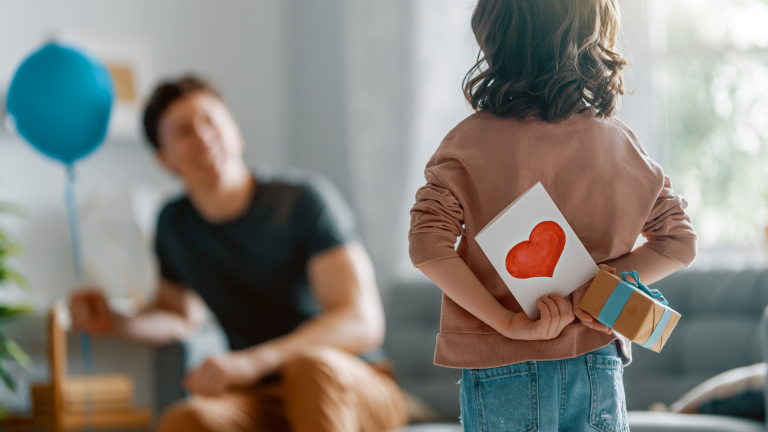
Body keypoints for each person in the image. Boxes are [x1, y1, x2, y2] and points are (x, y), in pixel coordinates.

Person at [408, 0, 698, 431]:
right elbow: (680, 242)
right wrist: (596, 288)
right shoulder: (620, 145)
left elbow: (427, 245)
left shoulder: (467, 143)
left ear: (493, 37)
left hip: (498, 363)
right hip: (594, 361)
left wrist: (508, 321)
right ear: (592, 40)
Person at [69, 76, 407, 432]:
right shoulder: (173, 223)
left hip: (353, 384)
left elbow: (362, 321)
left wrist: (252, 362)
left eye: (211, 121)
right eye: (183, 131)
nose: (202, 136)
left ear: (235, 132)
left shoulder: (303, 200)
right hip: (266, 396)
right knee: (186, 421)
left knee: (312, 367)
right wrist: (116, 321)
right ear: (164, 159)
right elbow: (177, 314)